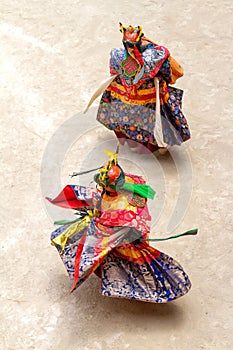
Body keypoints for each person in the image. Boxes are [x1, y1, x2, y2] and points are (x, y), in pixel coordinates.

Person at [46, 148, 197, 302]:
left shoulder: (122, 206)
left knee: (129, 266)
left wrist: (95, 218)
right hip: (116, 231)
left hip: (122, 238)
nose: (102, 189)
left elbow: (106, 225)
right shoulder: (129, 185)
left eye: (105, 187)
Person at [85, 23, 190, 154]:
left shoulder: (117, 56)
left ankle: (131, 144)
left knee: (125, 118)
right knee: (156, 119)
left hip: (123, 97)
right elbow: (167, 71)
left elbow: (112, 72)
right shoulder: (154, 57)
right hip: (147, 99)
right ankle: (159, 147)